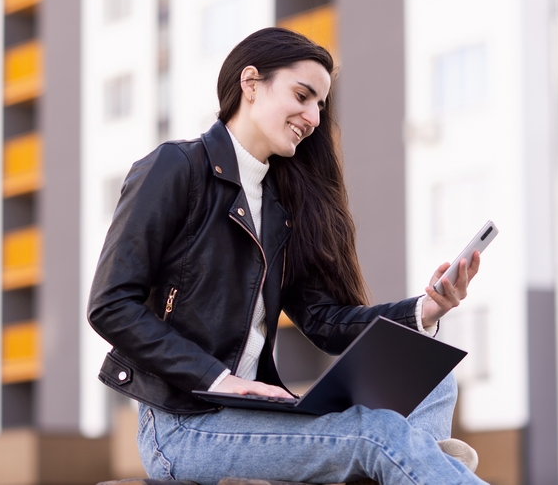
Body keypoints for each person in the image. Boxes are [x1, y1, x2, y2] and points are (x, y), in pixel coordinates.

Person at [87, 27, 487, 485]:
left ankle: (416, 462)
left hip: (257, 410)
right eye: (303, 95)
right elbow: (111, 305)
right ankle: (424, 461)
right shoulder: (175, 168)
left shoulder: (280, 207)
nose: (314, 116)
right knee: (378, 435)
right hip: (183, 426)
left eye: (320, 104)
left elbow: (322, 321)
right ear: (251, 83)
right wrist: (217, 378)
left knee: (432, 376)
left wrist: (425, 310)